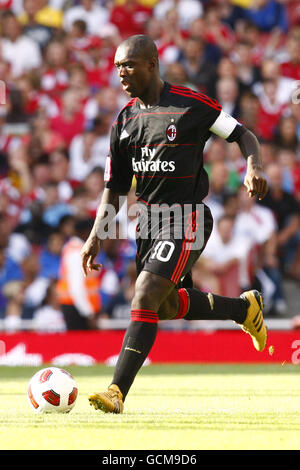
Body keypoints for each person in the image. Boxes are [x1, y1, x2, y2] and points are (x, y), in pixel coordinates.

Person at [81, 35, 268, 414]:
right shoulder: (125, 120)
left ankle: (116, 391)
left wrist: (254, 165)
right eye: (117, 67)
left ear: (151, 64)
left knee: (144, 293)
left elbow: (242, 134)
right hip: (148, 223)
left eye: (128, 65)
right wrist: (96, 236)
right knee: (164, 307)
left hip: (187, 216)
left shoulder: (191, 104)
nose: (121, 73)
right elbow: (114, 187)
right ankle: (243, 309)